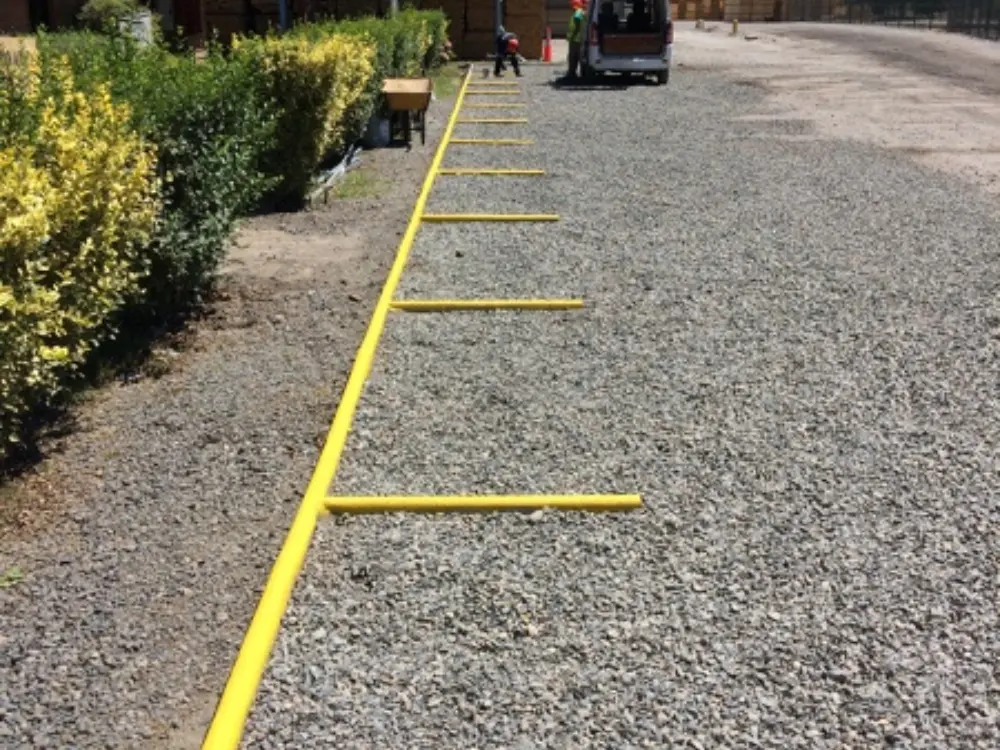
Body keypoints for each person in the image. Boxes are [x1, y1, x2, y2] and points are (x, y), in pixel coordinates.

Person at [567, 0, 587, 79]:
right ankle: (582, 74)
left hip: (576, 39)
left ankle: (572, 74)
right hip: (578, 38)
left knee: (573, 57)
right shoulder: (581, 12)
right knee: (579, 57)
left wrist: (572, 36)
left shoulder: (578, 12)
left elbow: (577, 26)